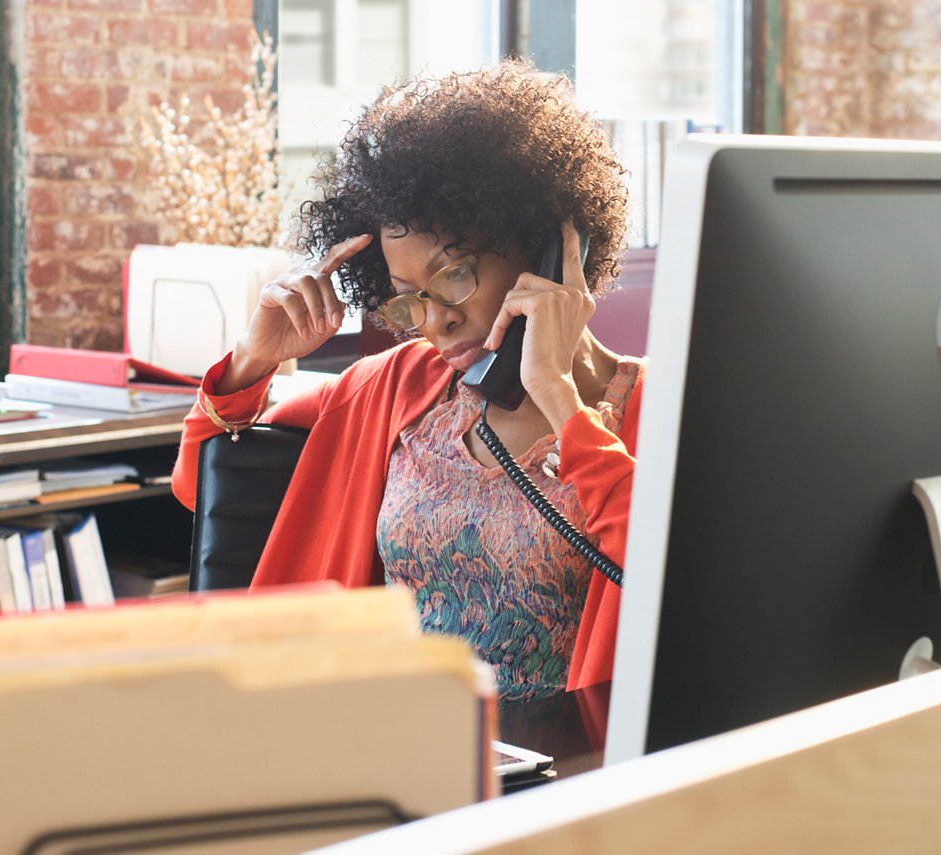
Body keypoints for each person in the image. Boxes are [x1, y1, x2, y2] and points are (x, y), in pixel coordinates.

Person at [172, 58, 639, 699]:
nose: (436, 322)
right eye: (408, 297)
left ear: (548, 248)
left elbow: (669, 587)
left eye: (454, 273)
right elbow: (205, 483)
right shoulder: (393, 388)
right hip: (390, 756)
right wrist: (256, 359)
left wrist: (557, 394)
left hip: (570, 773)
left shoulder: (657, 413)